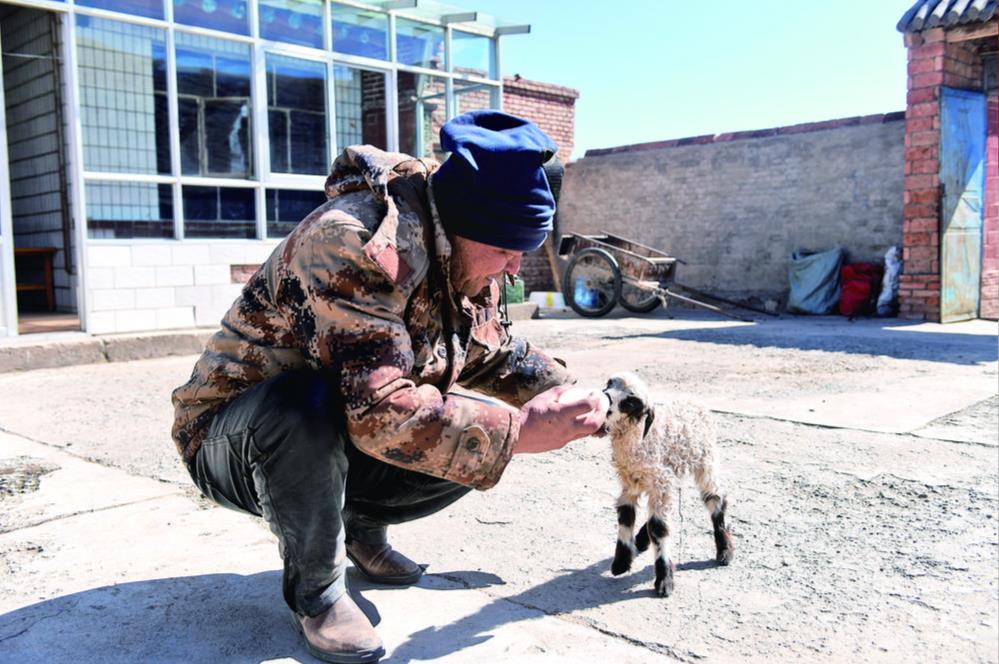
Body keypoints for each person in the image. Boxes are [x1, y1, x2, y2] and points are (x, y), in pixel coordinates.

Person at [171, 111, 606, 663]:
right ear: (463, 227)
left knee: (466, 429)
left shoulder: (470, 262)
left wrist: (581, 396)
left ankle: (359, 528)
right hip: (231, 435)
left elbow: (493, 354)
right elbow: (381, 412)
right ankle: (319, 593)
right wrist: (519, 430)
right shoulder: (353, 243)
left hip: (341, 426)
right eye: (504, 249)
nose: (514, 267)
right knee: (313, 404)